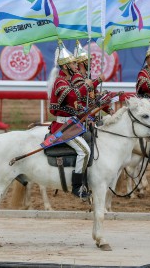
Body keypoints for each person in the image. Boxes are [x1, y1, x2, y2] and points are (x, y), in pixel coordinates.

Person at [49, 40, 95, 199]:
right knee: (84, 150)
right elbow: (73, 96)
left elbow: (75, 105)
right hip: (63, 126)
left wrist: (86, 115)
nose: (77, 66)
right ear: (65, 66)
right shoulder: (60, 81)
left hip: (72, 123)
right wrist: (89, 85)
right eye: (74, 63)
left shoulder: (67, 80)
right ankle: (77, 187)